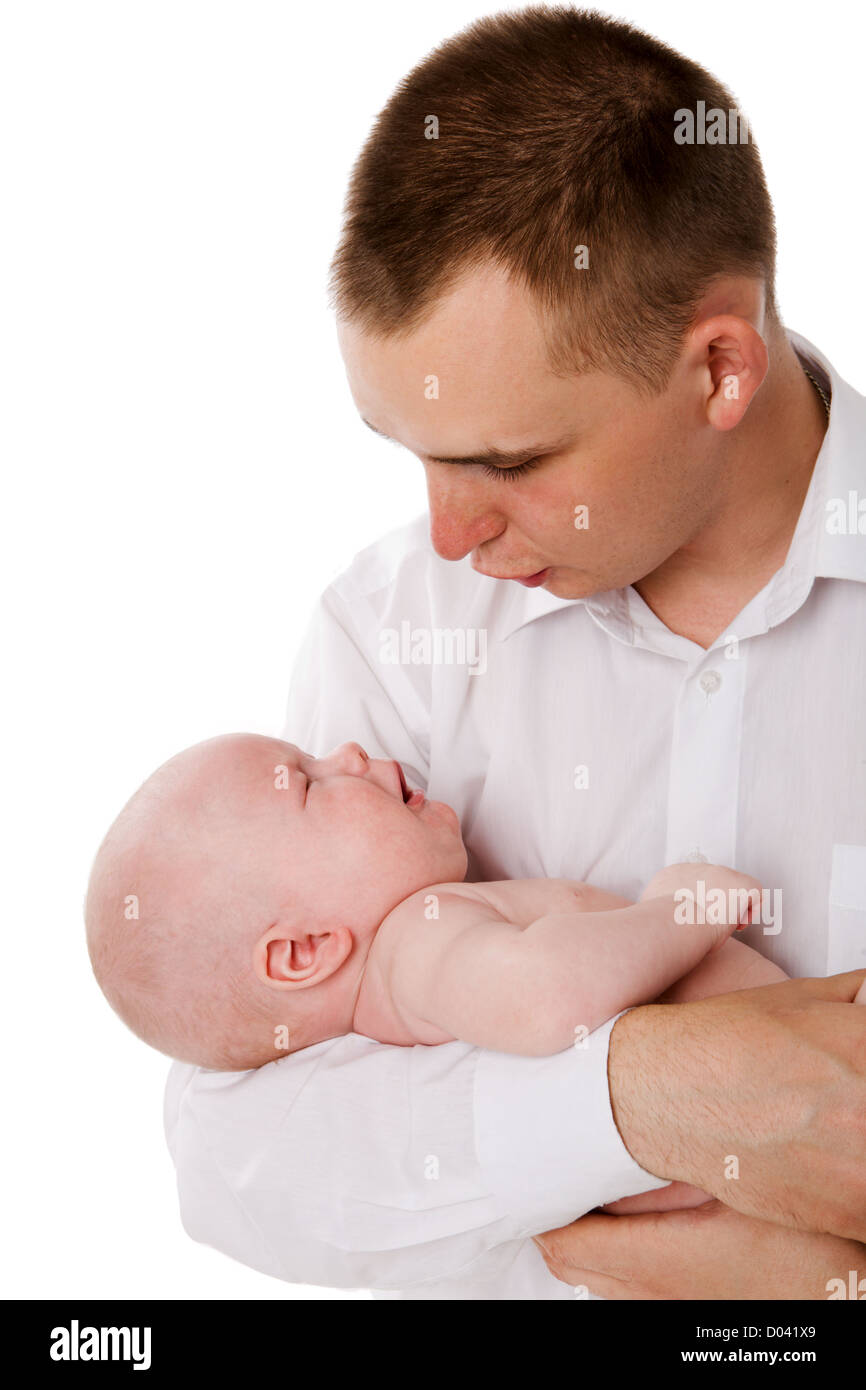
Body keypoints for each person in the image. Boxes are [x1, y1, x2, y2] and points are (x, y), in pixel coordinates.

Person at [164, 8, 866, 1299]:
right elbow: (238, 1145)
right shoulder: (392, 636)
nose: (447, 530)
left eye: (507, 461)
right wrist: (633, 1099)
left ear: (717, 369)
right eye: (412, 453)